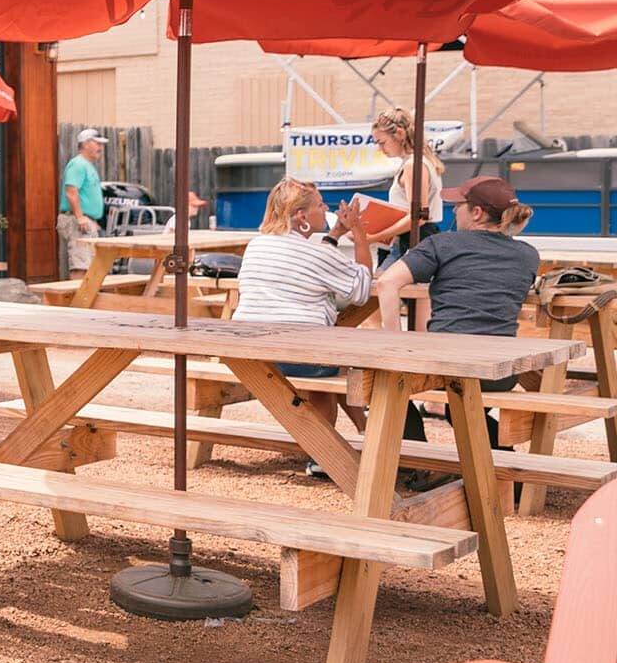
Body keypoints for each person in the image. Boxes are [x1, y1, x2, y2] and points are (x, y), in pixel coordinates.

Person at [375, 176, 540, 458]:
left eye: (459, 205)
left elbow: (386, 283)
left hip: (447, 366)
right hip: (500, 372)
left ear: (477, 212)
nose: (453, 211)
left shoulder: (444, 244)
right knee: (460, 409)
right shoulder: (527, 254)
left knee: (386, 386)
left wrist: (394, 343)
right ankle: (504, 465)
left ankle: (419, 464)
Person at [231, 178, 375, 475]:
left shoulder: (255, 245)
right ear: (301, 217)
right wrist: (359, 234)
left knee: (329, 354)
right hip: (296, 355)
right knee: (334, 363)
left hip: (249, 352)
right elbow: (360, 291)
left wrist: (335, 233)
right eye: (321, 205)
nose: (328, 209)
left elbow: (312, 262)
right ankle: (328, 452)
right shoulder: (317, 254)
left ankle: (362, 431)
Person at [363, 106, 444, 265]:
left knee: (384, 284)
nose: (381, 149)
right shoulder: (419, 162)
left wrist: (374, 237)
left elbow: (418, 216)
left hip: (411, 240)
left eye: (382, 142)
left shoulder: (413, 165)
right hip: (414, 237)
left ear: (399, 134)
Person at [59, 128, 108, 278]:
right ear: (85, 144)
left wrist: (92, 220)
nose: (101, 147)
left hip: (86, 221)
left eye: (102, 144)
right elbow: (71, 191)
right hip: (77, 221)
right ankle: (76, 301)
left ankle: (84, 300)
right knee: (80, 265)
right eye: (97, 143)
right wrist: (80, 217)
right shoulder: (78, 164)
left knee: (89, 264)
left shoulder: (87, 165)